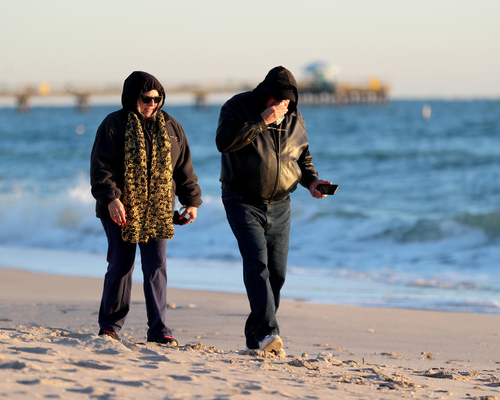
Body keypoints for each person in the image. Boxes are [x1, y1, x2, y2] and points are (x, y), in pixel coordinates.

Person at [216, 66, 333, 355]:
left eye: (288, 102)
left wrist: (313, 181)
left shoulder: (294, 116)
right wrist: (261, 120)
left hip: (281, 203)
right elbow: (224, 142)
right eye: (278, 100)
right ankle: (269, 332)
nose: (283, 106)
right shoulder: (236, 107)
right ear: (266, 94)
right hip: (242, 199)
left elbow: (302, 158)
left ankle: (256, 335)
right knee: (257, 263)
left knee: (277, 274)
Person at [90, 71, 202, 345]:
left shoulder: (172, 127)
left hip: (158, 211)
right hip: (120, 209)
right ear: (132, 97)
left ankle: (158, 329)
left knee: (156, 266)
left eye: (156, 99)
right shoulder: (113, 124)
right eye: (145, 99)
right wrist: (112, 198)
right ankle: (110, 326)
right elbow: (100, 168)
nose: (151, 104)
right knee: (121, 265)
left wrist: (192, 201)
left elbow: (183, 169)